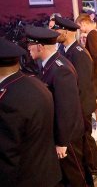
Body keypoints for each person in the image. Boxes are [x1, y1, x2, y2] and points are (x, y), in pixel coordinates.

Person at [25, 26, 87, 186]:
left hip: (68, 137)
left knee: (75, 178)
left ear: (40, 46)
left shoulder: (60, 70)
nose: (28, 48)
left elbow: (67, 110)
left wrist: (62, 142)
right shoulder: (50, 65)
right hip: (62, 134)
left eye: (30, 45)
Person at [0, 38, 62, 187]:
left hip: (24, 178)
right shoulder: (35, 84)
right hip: (46, 172)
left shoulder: (6, 100)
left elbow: (7, 154)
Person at [53, 16, 97, 182]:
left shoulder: (78, 54)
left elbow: (81, 86)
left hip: (81, 106)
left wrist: (77, 110)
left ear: (66, 31)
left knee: (86, 139)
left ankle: (95, 167)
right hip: (76, 106)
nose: (55, 32)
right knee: (82, 140)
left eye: (57, 29)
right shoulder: (65, 50)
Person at [76, 14, 97, 141]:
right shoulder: (96, 33)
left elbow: (96, 57)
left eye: (79, 26)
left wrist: (91, 71)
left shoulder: (91, 35)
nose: (79, 29)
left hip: (95, 75)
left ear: (84, 23)